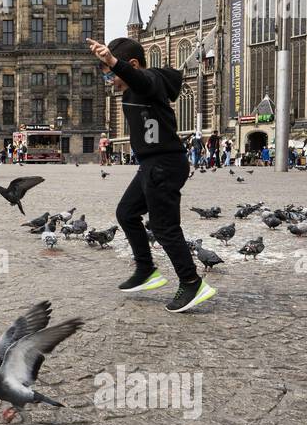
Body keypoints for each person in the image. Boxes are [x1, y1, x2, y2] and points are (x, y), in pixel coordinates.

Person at [89, 35, 216, 314]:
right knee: (126, 213)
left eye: (110, 74)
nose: (110, 81)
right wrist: (112, 65)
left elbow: (143, 80)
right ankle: (146, 269)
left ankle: (192, 281)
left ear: (131, 64)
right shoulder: (133, 90)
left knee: (164, 227)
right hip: (151, 163)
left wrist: (114, 62)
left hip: (165, 163)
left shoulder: (149, 81)